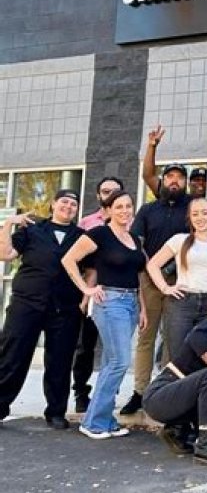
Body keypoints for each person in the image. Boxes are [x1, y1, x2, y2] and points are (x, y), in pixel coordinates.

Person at [62, 190, 148, 439]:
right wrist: (86, 289)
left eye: (128, 206)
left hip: (131, 302)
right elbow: (69, 260)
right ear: (108, 210)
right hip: (109, 302)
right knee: (120, 361)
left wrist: (142, 307)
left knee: (112, 363)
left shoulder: (134, 239)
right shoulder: (99, 234)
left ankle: (103, 419)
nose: (125, 211)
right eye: (119, 206)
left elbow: (138, 276)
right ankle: (94, 422)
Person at [0, 190, 86, 429]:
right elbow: (5, 254)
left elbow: (91, 269)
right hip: (26, 303)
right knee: (12, 355)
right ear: (53, 204)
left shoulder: (81, 237)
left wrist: (85, 296)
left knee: (60, 361)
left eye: (73, 204)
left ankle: (56, 412)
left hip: (65, 307)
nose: (68, 207)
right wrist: (8, 223)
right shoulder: (32, 230)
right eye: (64, 202)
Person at [143, 285, 207, 465]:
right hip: (160, 396)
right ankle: (205, 445)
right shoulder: (201, 333)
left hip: (187, 397)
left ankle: (178, 431)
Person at [120, 162, 191, 415]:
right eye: (170, 176)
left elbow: (195, 240)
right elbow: (136, 242)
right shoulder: (148, 210)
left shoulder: (192, 208)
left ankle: (166, 390)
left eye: (179, 177)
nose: (174, 181)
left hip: (180, 281)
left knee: (174, 339)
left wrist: (170, 268)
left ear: (185, 182)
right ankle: (140, 391)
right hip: (149, 280)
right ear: (163, 181)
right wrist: (152, 268)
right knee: (146, 337)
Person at [146, 198, 207, 360]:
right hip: (182, 303)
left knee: (206, 357)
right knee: (178, 356)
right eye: (195, 214)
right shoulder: (179, 240)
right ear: (189, 218)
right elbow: (153, 265)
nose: (200, 218)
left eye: (205, 213)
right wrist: (165, 288)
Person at [73, 176, 124, 414]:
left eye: (115, 191)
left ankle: (107, 396)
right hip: (93, 291)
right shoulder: (86, 223)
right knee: (86, 346)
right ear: (98, 195)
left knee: (115, 351)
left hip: (119, 294)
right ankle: (81, 393)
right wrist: (85, 293)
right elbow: (76, 260)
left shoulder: (127, 222)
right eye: (105, 191)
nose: (110, 195)